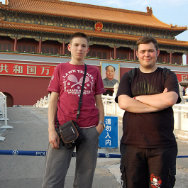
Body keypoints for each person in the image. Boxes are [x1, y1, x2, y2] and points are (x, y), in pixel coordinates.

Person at [115, 36, 181, 188]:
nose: (147, 54)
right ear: (137, 54)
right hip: (132, 146)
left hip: (162, 146)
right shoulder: (129, 77)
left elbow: (170, 99)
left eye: (150, 51)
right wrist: (158, 103)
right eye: (143, 51)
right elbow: (124, 103)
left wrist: (137, 99)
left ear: (157, 52)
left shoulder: (167, 75)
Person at [42, 32, 105, 188]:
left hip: (90, 129)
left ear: (87, 49)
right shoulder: (61, 68)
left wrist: (100, 125)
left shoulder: (94, 71)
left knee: (85, 177)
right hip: (63, 128)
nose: (80, 49)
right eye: (76, 45)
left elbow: (99, 101)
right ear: (69, 47)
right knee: (53, 177)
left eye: (83, 46)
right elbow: (53, 100)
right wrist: (51, 129)